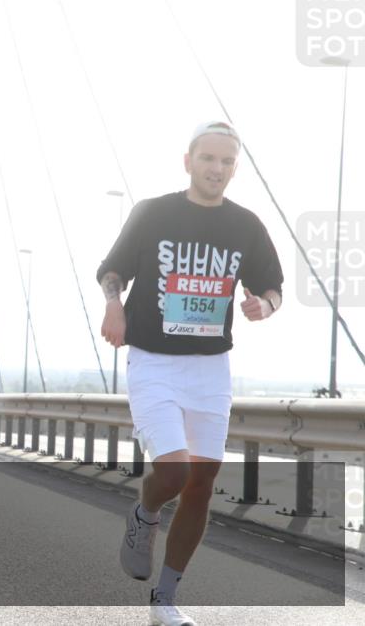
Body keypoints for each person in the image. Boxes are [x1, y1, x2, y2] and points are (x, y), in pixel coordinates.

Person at [97, 122, 282, 626]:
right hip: (154, 361)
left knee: (202, 481)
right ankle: (145, 513)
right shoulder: (153, 213)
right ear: (188, 161)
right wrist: (115, 306)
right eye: (208, 159)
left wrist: (264, 305)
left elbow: (273, 287)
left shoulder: (246, 226)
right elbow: (112, 271)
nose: (217, 169)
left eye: (226, 162)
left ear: (234, 168)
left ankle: (166, 600)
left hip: (210, 369)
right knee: (174, 471)